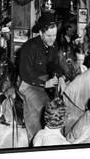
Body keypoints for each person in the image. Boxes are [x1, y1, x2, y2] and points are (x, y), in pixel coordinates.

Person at [19, 12, 64, 143]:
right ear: (40, 33)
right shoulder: (29, 47)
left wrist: (59, 77)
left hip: (46, 82)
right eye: (49, 36)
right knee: (44, 111)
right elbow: (25, 74)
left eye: (54, 35)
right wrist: (45, 84)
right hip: (27, 84)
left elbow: (53, 64)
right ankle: (35, 140)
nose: (52, 39)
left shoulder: (53, 46)